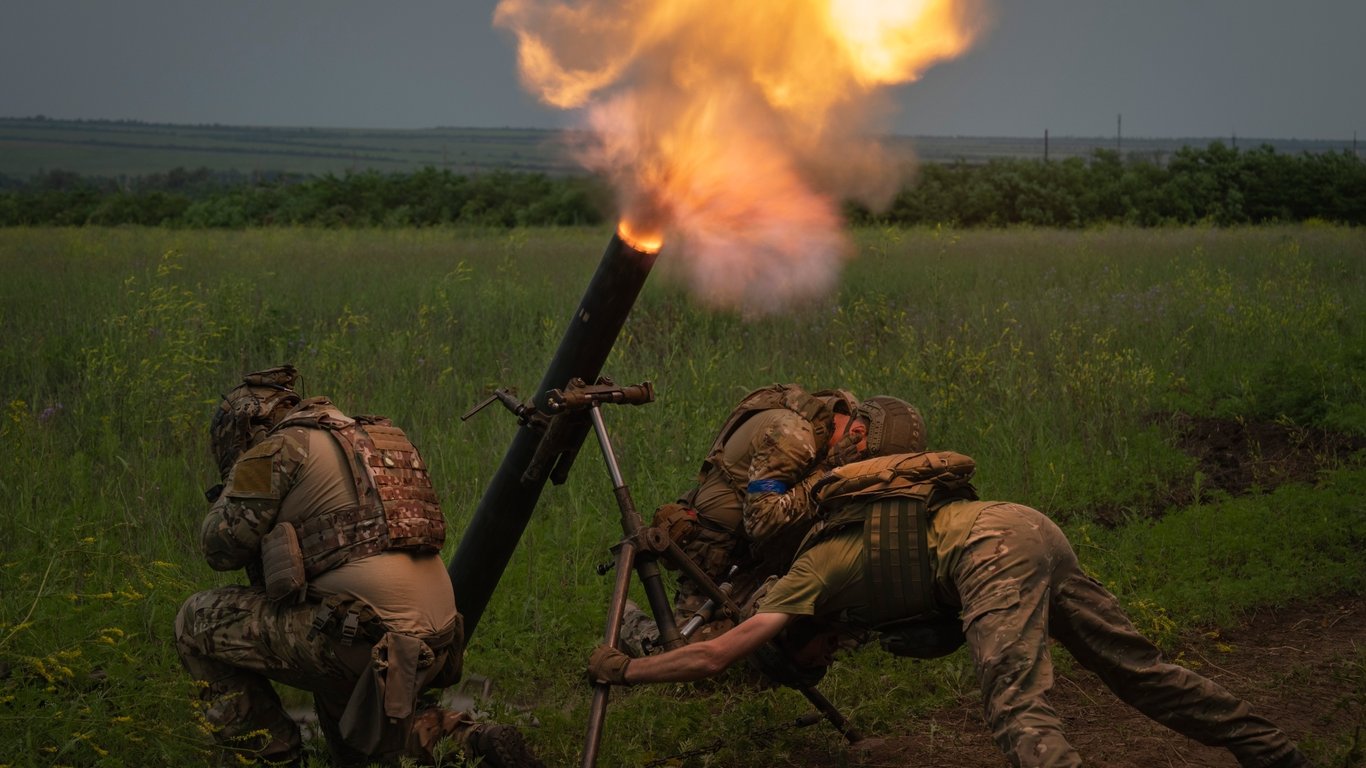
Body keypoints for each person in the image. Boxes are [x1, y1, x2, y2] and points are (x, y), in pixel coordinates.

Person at [590, 449, 1308, 768]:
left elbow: (716, 654)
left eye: (811, 662)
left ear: (795, 639)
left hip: (989, 552)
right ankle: (1270, 748)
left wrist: (626, 669)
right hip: (1024, 526)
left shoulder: (802, 583)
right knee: (1137, 670)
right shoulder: (835, 582)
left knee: (1016, 705)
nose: (826, 662)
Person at [175, 365, 544, 767]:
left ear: (247, 428)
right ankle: (471, 743)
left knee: (195, 622)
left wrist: (232, 486)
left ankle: (272, 756)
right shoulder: (378, 437)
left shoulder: (278, 447)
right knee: (358, 750)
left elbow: (220, 549)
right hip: (435, 638)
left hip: (361, 638)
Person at [628, 385, 926, 647]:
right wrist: (828, 475)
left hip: (768, 550)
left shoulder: (843, 420)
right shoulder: (793, 436)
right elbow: (762, 520)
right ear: (858, 433)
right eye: (869, 461)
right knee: (686, 652)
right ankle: (629, 623)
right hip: (722, 553)